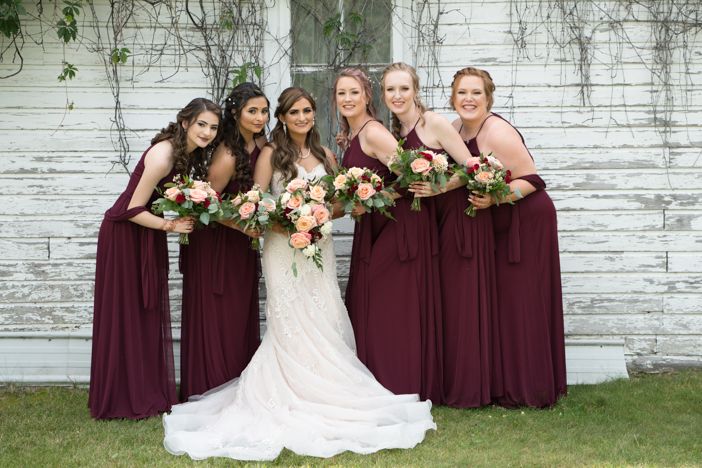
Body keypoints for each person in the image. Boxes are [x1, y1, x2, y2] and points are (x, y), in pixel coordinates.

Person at [162, 87, 435, 461]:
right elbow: (253, 202)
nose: (302, 118)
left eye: (308, 111)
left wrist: (330, 213)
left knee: (324, 312)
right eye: (294, 113)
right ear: (283, 118)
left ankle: (329, 387)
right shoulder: (272, 154)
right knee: (290, 317)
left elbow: (340, 201)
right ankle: (285, 388)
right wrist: (283, 223)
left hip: (318, 245)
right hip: (281, 247)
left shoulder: (326, 155)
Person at [89, 98, 221, 419]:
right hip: (124, 234)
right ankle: (124, 396)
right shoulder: (163, 155)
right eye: (201, 124)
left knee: (144, 312)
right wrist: (170, 225)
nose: (207, 132)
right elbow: (131, 208)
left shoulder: (187, 153)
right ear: (185, 122)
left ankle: (142, 389)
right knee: (128, 312)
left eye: (213, 127)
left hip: (145, 234)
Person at [382, 62, 499, 408]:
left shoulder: (433, 123)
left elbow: (473, 166)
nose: (398, 95)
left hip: (450, 222)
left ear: (416, 90)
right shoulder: (396, 131)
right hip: (424, 226)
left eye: (404, 88)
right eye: (391, 89)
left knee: (450, 305)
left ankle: (456, 386)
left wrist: (439, 187)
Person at [452, 66, 567, 407]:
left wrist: (496, 198)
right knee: (501, 301)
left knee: (521, 301)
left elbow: (532, 179)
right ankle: (502, 381)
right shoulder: (455, 128)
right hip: (496, 222)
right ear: (452, 96)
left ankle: (530, 388)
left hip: (526, 219)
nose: (469, 99)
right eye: (462, 92)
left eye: (476, 93)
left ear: (488, 98)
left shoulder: (497, 132)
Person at [337, 67, 443, 402]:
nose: (348, 99)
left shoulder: (373, 132)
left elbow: (410, 174)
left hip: (397, 226)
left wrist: (371, 199)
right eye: (341, 93)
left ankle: (400, 381)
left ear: (368, 96)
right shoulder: (353, 134)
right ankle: (376, 379)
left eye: (354, 92)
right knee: (370, 302)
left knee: (388, 306)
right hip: (374, 225)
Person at [178, 83, 268, 401]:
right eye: (252, 111)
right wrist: (242, 227)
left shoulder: (259, 144)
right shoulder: (229, 152)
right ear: (236, 113)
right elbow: (206, 205)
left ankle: (238, 384)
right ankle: (210, 386)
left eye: (264, 111)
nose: (260, 117)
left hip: (240, 243)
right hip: (216, 243)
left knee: (238, 316)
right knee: (219, 317)